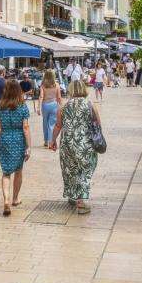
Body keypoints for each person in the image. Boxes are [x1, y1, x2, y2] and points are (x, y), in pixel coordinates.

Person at [50, 80, 100, 214]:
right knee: (85, 170)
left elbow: (58, 126)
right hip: (85, 145)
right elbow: (97, 124)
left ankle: (73, 196)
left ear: (71, 90)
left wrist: (53, 140)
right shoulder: (90, 105)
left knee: (70, 170)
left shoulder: (63, 107)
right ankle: (81, 203)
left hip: (68, 144)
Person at [0, 79, 30, 216]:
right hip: (19, 139)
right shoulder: (22, 107)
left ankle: (6, 201)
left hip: (5, 139)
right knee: (18, 170)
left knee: (6, 172)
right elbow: (25, 127)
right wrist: (29, 146)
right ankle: (15, 198)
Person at [39, 70, 62, 147]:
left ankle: (46, 141)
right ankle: (50, 142)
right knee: (51, 124)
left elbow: (41, 97)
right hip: (54, 105)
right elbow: (59, 97)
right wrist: (61, 107)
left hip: (45, 105)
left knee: (45, 123)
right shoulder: (57, 85)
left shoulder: (43, 85)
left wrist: (38, 107)